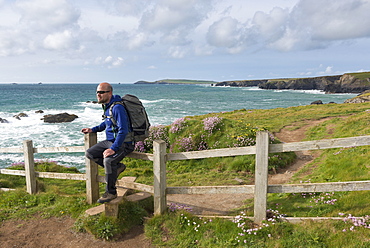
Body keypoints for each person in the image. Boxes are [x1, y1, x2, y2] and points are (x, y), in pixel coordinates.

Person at [81, 82, 134, 203]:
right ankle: (118, 167)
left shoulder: (117, 108)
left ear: (109, 93)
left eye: (101, 92)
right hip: (110, 141)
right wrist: (93, 129)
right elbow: (106, 123)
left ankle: (111, 193)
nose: (98, 95)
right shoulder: (108, 106)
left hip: (124, 143)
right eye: (97, 92)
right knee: (90, 153)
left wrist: (114, 148)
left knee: (108, 160)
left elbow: (123, 129)